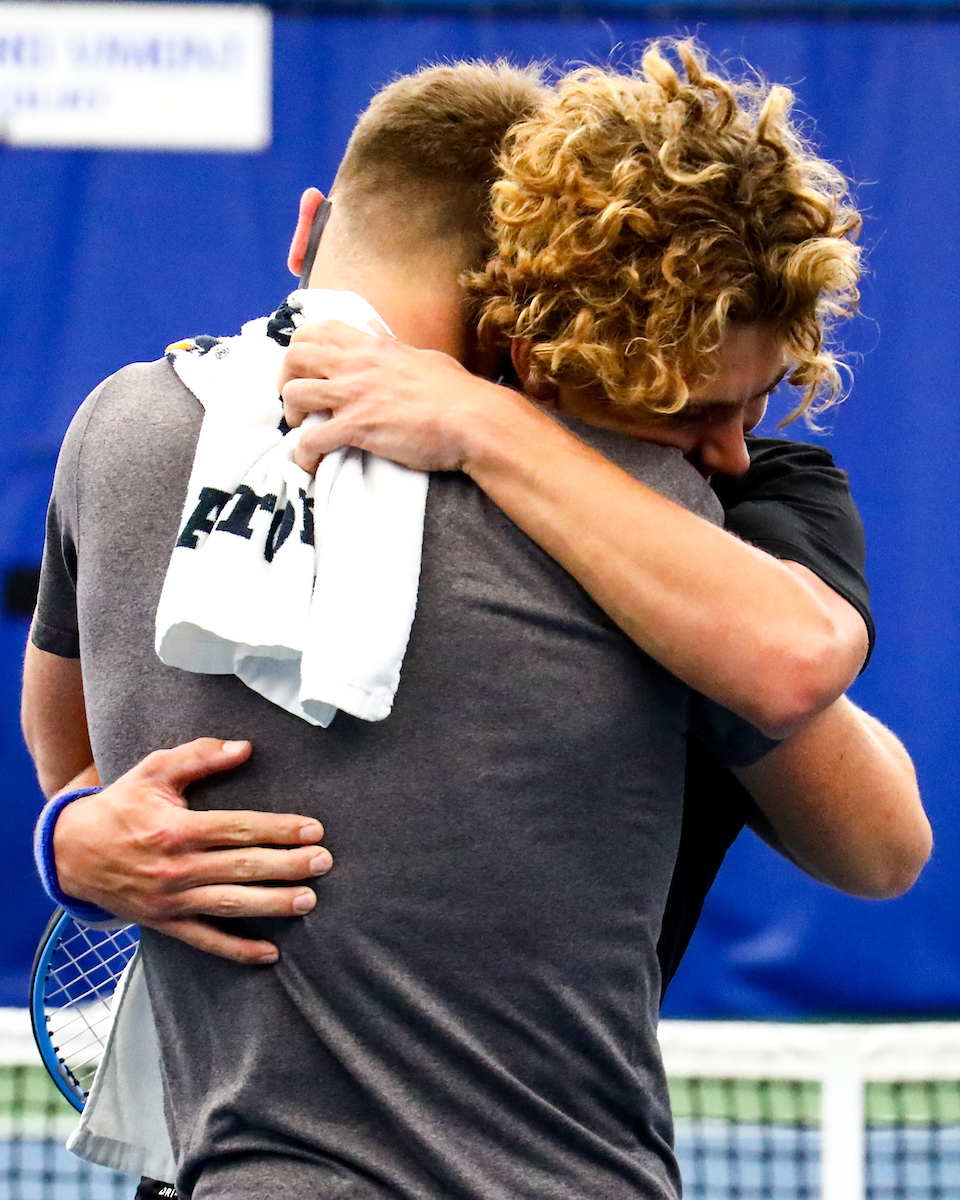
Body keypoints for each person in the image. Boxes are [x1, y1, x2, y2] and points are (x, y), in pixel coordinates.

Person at [23, 46, 928, 1200]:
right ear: (528, 317)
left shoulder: (124, 422)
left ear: (309, 234)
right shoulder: (676, 512)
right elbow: (91, 776)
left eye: (753, 405)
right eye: (701, 407)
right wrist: (76, 843)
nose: (734, 446)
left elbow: (864, 805)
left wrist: (480, 426)